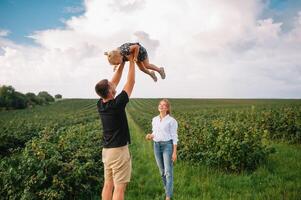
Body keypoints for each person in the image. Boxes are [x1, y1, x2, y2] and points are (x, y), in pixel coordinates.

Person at [95, 54, 135, 200]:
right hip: (118, 152)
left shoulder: (101, 104)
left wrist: (122, 63)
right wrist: (132, 61)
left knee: (107, 185)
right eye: (112, 85)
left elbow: (114, 82)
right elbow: (131, 82)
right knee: (119, 190)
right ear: (110, 91)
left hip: (107, 151)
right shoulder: (117, 104)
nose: (114, 83)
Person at [145, 99, 178, 200]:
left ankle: (168, 196)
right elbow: (155, 132)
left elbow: (174, 136)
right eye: (160, 104)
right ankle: (167, 189)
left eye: (164, 105)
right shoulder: (154, 119)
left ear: (167, 108)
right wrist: (150, 136)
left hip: (167, 146)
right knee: (161, 171)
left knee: (168, 172)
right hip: (156, 145)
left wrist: (174, 152)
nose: (161, 106)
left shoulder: (171, 121)